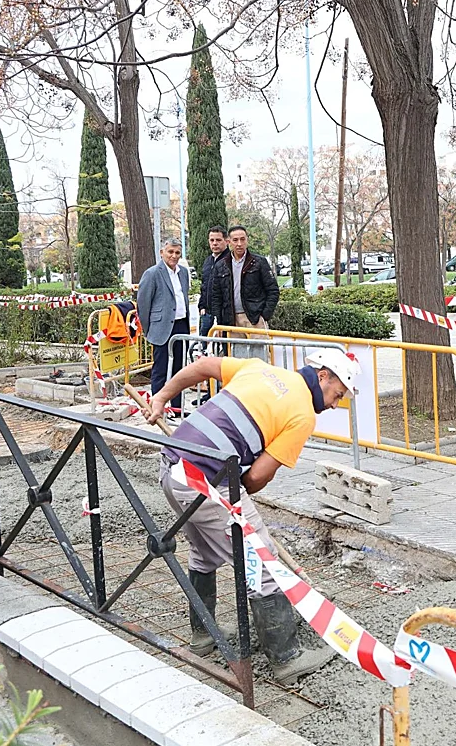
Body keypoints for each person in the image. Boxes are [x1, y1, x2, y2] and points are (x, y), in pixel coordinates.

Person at [146, 348, 361, 683]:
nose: (335, 404)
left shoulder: (259, 369)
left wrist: (161, 397)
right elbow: (259, 474)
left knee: (204, 554)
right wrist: (240, 495)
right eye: (338, 394)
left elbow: (203, 366)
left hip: (172, 468)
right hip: (207, 482)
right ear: (323, 376)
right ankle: (287, 658)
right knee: (263, 565)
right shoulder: (303, 414)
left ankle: (203, 635)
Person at [137, 239, 191, 415]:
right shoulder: (152, 273)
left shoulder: (183, 272)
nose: (174, 256)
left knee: (179, 371)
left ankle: (176, 408)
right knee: (160, 369)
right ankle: (156, 408)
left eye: (177, 252)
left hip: (181, 325)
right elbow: (143, 304)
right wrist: (149, 330)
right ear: (162, 253)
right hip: (161, 328)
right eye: (170, 252)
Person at [209, 225, 279, 332]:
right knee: (234, 345)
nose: (239, 244)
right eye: (235, 240)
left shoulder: (259, 262)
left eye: (242, 239)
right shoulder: (221, 265)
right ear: (229, 242)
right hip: (231, 321)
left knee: (259, 344)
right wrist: (219, 321)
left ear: (247, 240)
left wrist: (264, 315)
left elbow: (273, 290)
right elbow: (216, 296)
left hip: (255, 319)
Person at [197, 225, 228, 341]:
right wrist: (201, 306)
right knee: (203, 345)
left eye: (218, 240)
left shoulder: (230, 261)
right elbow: (204, 286)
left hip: (223, 314)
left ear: (226, 241)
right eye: (212, 240)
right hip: (206, 313)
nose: (215, 243)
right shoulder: (207, 261)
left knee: (224, 346)